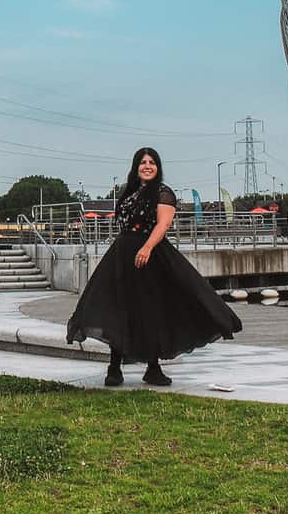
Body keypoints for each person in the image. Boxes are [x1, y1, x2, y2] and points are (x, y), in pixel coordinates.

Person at [66, 147, 242, 386]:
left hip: (150, 255)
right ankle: (114, 367)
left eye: (152, 162)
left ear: (158, 167)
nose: (147, 166)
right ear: (135, 166)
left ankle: (153, 367)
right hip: (122, 254)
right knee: (119, 308)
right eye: (142, 162)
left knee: (151, 310)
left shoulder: (163, 192)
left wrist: (147, 248)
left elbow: (163, 224)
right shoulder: (128, 192)